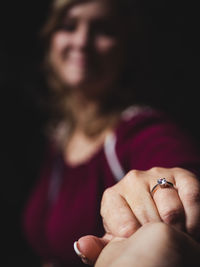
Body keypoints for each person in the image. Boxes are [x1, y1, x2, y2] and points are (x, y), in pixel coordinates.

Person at [22, 0, 200, 266]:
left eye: (103, 30)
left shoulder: (138, 129)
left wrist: (172, 185)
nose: (82, 42)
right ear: (50, 40)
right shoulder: (60, 137)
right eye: (68, 26)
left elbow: (176, 165)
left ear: (126, 48)